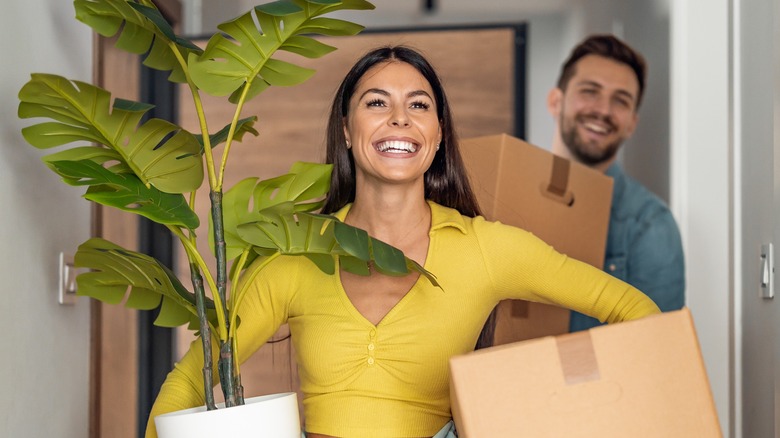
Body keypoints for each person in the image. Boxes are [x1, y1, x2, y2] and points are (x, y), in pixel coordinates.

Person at [147, 45, 660, 438]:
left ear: (438, 135)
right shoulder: (297, 253)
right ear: (346, 130)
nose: (400, 118)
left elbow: (636, 312)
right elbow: (191, 379)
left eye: (419, 105)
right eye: (377, 103)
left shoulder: (486, 249)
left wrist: (573, 411)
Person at [546, 34, 685, 333]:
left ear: (632, 123)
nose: (604, 110)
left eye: (620, 100)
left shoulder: (649, 224)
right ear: (556, 102)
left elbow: (659, 344)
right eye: (590, 91)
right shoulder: (505, 196)